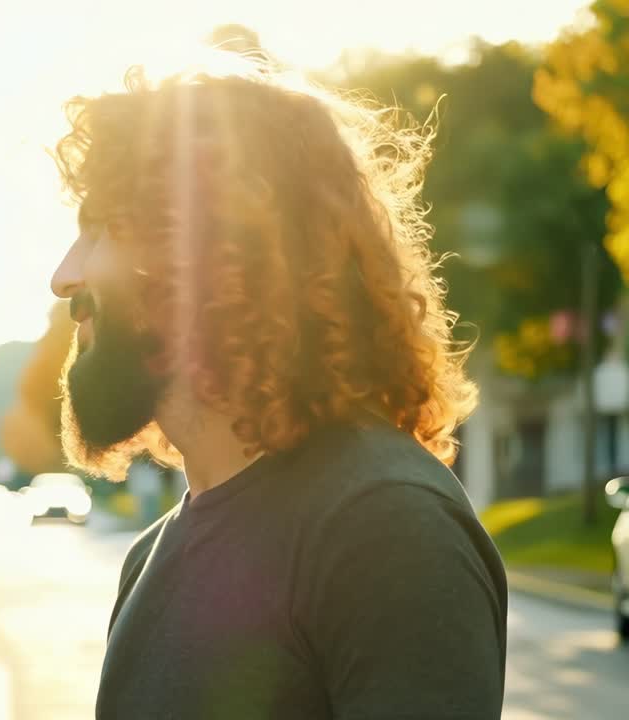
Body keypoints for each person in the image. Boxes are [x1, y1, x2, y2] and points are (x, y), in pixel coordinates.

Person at [49, 58, 507, 718]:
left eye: (101, 228)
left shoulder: (382, 526)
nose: (64, 276)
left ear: (209, 253)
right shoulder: (150, 555)